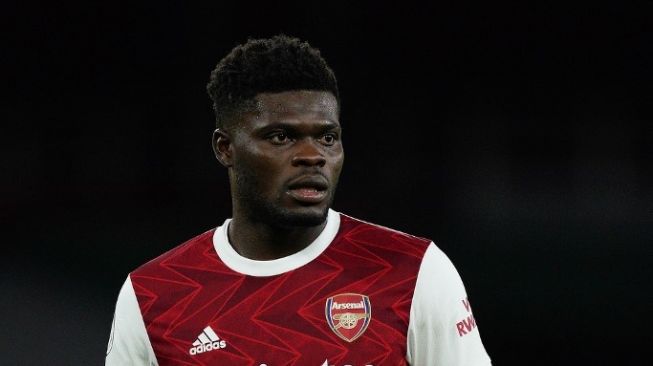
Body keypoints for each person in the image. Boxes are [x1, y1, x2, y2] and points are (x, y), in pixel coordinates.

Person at [106, 35, 492, 366]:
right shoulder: (154, 294)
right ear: (226, 148)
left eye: (327, 137)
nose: (313, 156)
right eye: (281, 137)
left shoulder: (414, 271)